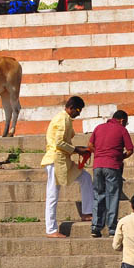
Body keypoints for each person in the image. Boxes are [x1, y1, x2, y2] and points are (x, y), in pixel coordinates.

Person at [41, 96, 94, 237]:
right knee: (53, 194)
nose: (79, 114)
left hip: (63, 160)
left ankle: (87, 213)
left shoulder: (66, 119)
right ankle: (51, 230)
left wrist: (79, 149)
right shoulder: (62, 119)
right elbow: (59, 143)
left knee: (85, 177)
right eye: (78, 110)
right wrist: (77, 150)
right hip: (55, 160)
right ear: (71, 107)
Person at [88, 109, 134, 238]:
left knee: (98, 195)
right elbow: (130, 150)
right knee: (112, 196)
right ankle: (112, 228)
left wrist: (99, 154)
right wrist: (120, 157)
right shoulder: (122, 130)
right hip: (112, 166)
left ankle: (96, 227)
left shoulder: (98, 128)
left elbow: (90, 145)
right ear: (122, 120)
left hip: (97, 166)